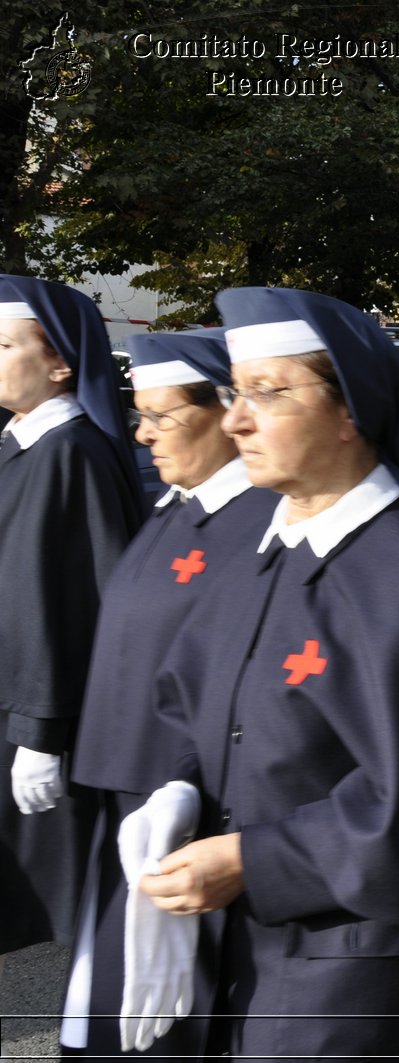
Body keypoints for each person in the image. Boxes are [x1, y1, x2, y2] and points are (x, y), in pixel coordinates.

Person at [125, 287, 399, 1056]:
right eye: (236, 393)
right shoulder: (263, 550)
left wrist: (250, 859)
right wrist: (176, 788)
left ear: (352, 412)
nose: (237, 418)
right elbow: (190, 694)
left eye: (269, 393)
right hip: (251, 948)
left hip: (357, 977)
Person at [64, 329, 279, 1057]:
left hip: (184, 800)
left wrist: (181, 786)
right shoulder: (180, 502)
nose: (142, 432)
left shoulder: (257, 521)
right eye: (140, 413)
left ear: (225, 411)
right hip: (130, 789)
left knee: (166, 1016)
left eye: (162, 415)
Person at [0, 276, 144, 990]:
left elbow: (86, 605)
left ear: (59, 362)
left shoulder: (75, 453)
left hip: (36, 719)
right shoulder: (17, 442)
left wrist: (40, 731)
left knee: (93, 902)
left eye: (4, 344)